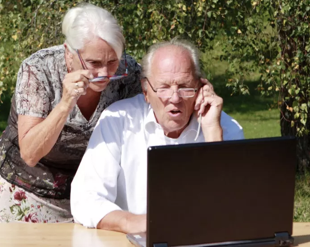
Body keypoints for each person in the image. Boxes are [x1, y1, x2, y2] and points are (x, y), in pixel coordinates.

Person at [0, 3, 143, 223]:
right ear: (69, 53)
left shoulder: (129, 72)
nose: (104, 73)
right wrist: (66, 103)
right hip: (27, 190)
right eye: (94, 63)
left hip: (91, 196)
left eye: (112, 61)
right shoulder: (38, 69)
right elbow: (30, 152)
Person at [70, 38, 244, 233]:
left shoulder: (224, 128)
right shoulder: (118, 120)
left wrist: (212, 132)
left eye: (185, 87)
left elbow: (233, 208)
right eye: (163, 87)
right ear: (145, 91)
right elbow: (85, 199)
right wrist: (135, 223)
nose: (175, 98)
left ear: (200, 87)